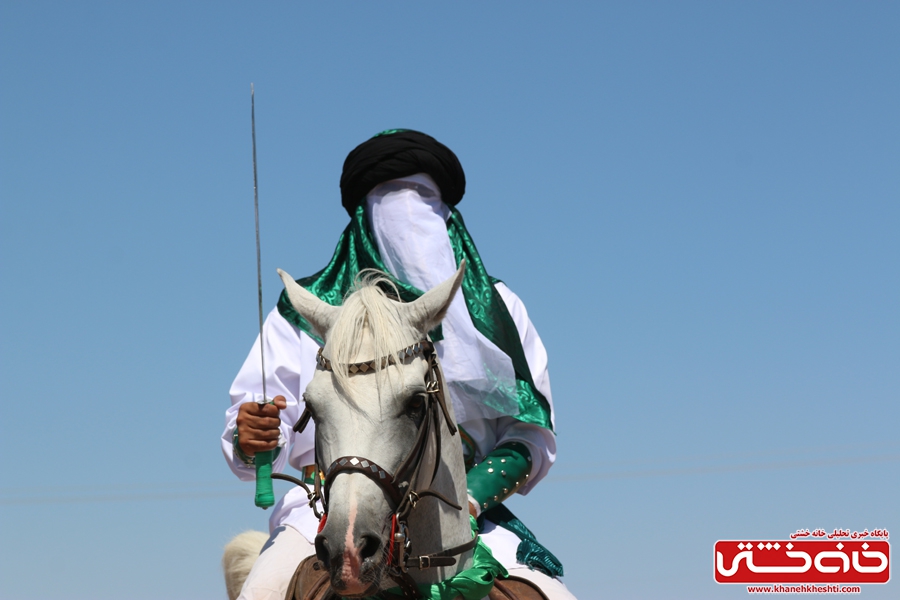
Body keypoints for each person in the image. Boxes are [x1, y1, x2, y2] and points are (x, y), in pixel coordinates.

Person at [222, 129, 574, 600]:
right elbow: (256, 437)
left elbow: (530, 433)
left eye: (424, 197)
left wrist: (470, 497)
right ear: (363, 215)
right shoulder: (302, 314)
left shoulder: (500, 309)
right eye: (388, 196)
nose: (408, 215)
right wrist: (253, 440)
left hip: (463, 514)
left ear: (448, 214)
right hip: (323, 511)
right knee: (263, 591)